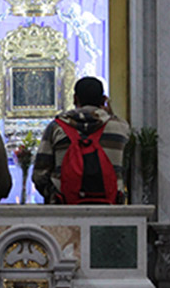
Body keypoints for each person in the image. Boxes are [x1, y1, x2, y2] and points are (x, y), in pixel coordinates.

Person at [32, 76, 130, 204]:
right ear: (103, 99)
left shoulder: (56, 127)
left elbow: (39, 174)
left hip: (65, 207)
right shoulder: (121, 128)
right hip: (109, 208)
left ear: (74, 98)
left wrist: (53, 196)